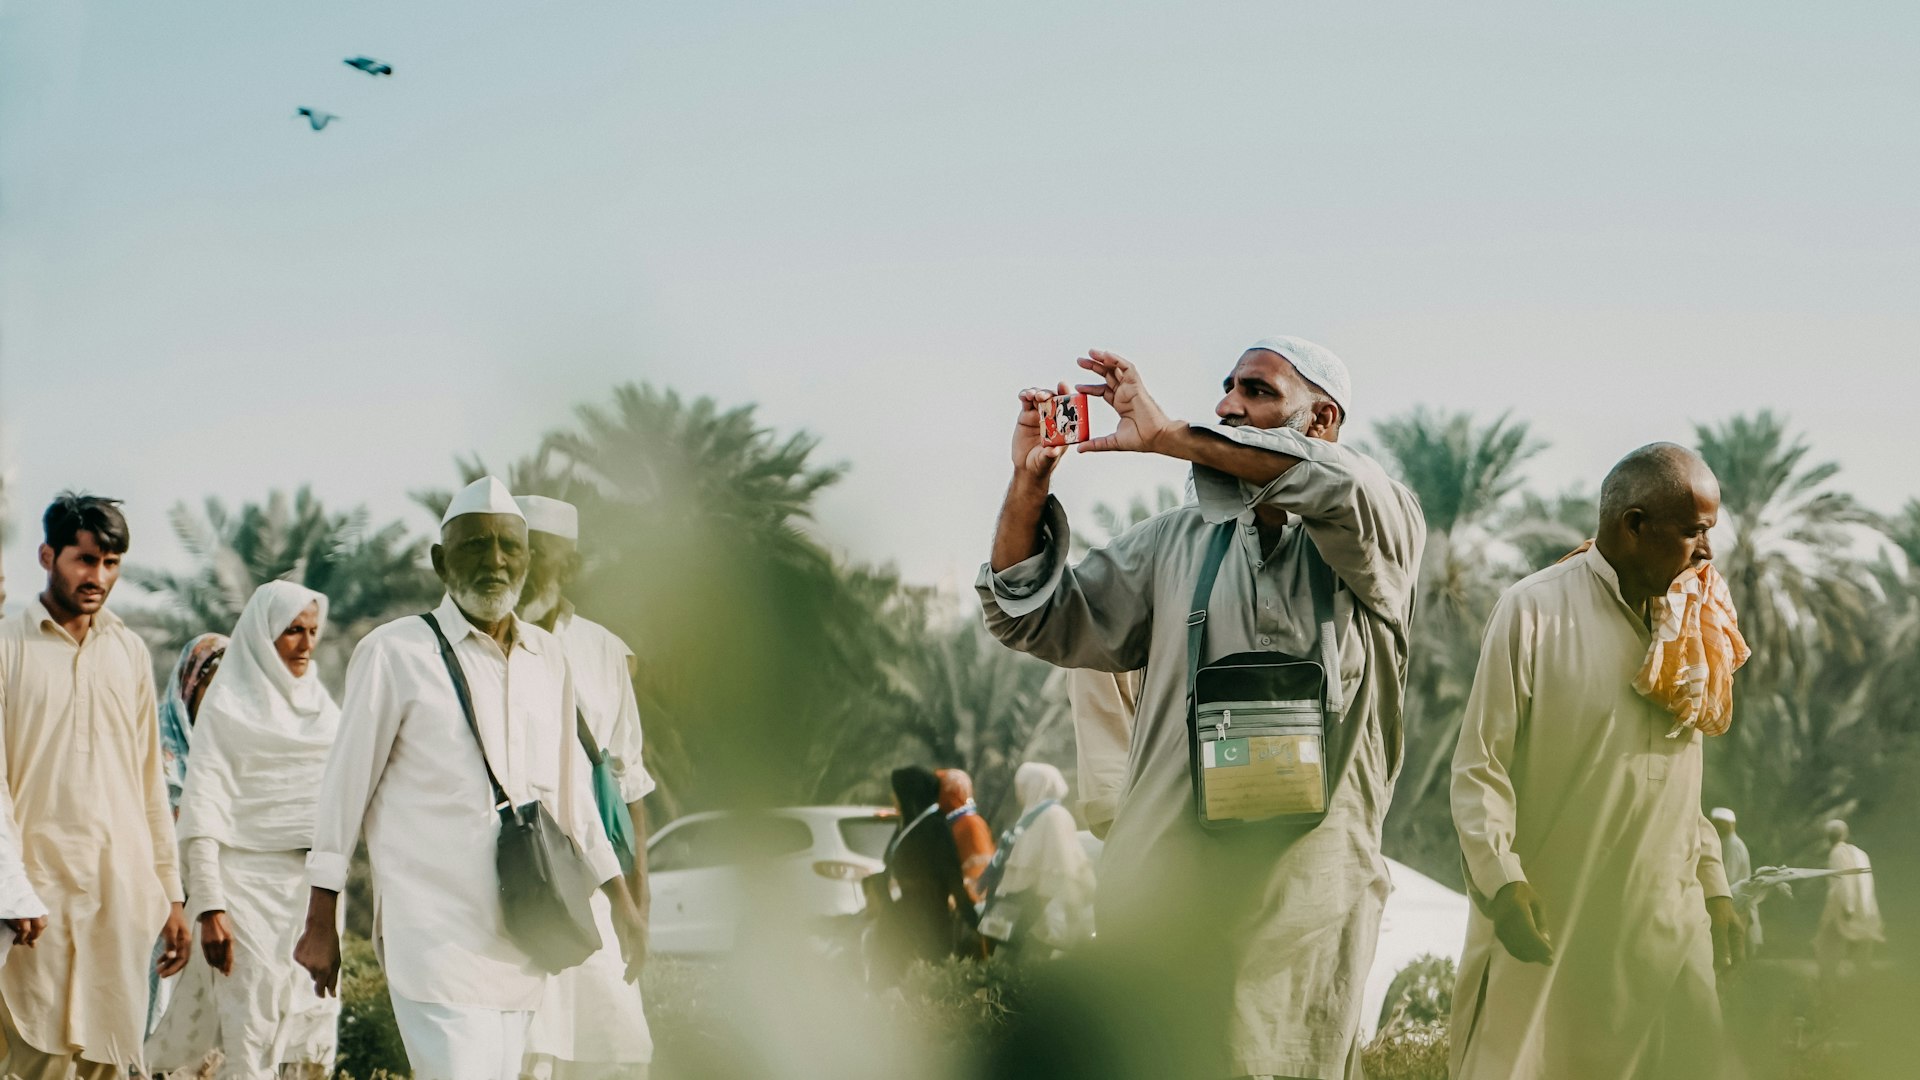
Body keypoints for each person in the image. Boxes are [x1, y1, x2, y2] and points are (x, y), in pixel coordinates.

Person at [978, 339, 1424, 1078]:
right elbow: (1036, 616)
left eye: (1258, 392)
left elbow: (1337, 486)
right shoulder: (1177, 540)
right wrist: (1028, 486)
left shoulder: (1382, 527)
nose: (1227, 406)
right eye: (1227, 390)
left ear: (1323, 420)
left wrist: (1166, 437)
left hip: (1305, 911)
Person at [294, 477, 645, 1080]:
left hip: (524, 938)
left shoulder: (548, 658)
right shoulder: (395, 652)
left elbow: (574, 800)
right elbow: (344, 790)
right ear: (440, 561)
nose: (495, 561)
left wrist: (623, 900)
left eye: (510, 546)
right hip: (434, 937)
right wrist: (320, 918)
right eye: (476, 546)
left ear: (527, 558)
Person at [1449, 444, 1748, 1080]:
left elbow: (1679, 787)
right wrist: (1502, 880)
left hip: (1668, 933)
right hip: (1551, 929)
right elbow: (1481, 768)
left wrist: (1715, 888)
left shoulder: (1692, 627)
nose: (1707, 552)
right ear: (1634, 525)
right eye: (1694, 532)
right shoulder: (1534, 610)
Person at [0, 492, 190, 1077]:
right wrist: (11, 889)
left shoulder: (129, 652)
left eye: (111, 563)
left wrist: (172, 894)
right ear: (47, 557)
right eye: (84, 560)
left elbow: (149, 783)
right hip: (37, 902)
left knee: (110, 1058)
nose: (98, 577)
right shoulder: (7, 647)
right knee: (40, 1060)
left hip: (116, 898)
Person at [153, 582, 342, 1079]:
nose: (305, 644)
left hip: (311, 895)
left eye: (313, 631)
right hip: (245, 889)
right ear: (263, 634)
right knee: (250, 1036)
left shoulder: (324, 713)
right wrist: (211, 908)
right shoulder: (227, 710)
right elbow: (203, 814)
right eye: (292, 630)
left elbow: (343, 811)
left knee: (310, 1034)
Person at [514, 495, 656, 1080]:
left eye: (539, 554)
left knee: (613, 1043)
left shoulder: (604, 650)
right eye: (516, 551)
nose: (524, 567)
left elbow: (628, 779)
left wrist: (638, 894)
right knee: (526, 1051)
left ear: (568, 565)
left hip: (598, 882)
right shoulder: (473, 646)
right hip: (514, 874)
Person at [144, 632, 227, 1043]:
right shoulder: (150, 741)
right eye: (213, 685)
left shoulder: (236, 750)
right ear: (192, 684)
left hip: (218, 907)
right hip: (155, 900)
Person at [869, 766, 978, 980]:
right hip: (899, 916)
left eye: (896, 792)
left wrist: (970, 916)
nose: (892, 796)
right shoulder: (907, 824)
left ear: (910, 794)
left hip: (926, 920)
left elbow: (952, 875)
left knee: (920, 981)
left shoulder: (935, 827)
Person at [976, 763, 1095, 954]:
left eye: (1023, 785)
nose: (1019, 792)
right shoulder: (1031, 815)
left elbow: (1060, 865)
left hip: (1039, 911)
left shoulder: (1054, 816)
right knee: (1004, 957)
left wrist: (1048, 909)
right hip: (1019, 907)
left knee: (1027, 959)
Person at [1813, 819, 1882, 980]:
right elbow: (1867, 882)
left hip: (1843, 908)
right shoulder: (1860, 853)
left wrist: (1848, 906)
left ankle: (1828, 984)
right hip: (1864, 909)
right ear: (1845, 834)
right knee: (1861, 948)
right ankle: (1860, 984)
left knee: (1828, 946)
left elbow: (1844, 880)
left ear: (1828, 837)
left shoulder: (1837, 853)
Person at [937, 769, 997, 902]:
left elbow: (979, 872)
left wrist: (958, 899)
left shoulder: (971, 823)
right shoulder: (951, 822)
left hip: (963, 903)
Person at [1711, 807, 1761, 950]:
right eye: (1716, 823)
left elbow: (1728, 877)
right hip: (1733, 900)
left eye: (1722, 823)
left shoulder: (1733, 845)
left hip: (1734, 901)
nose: (1718, 827)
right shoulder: (1726, 843)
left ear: (1731, 824)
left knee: (1733, 944)